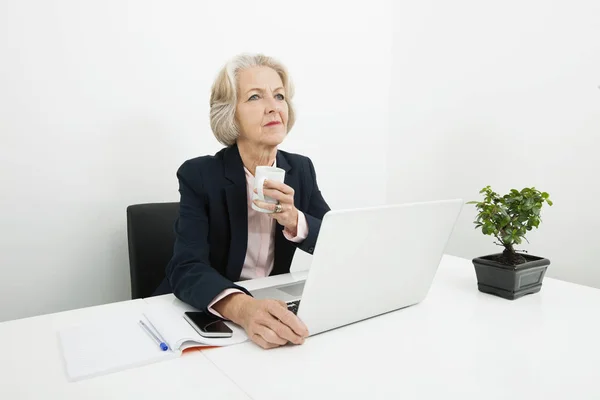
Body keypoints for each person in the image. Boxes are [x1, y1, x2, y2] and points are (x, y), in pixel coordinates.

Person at [163, 53, 330, 349]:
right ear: (231, 115)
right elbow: (186, 268)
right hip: (211, 312)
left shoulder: (301, 169)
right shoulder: (199, 175)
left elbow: (336, 241)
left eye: (279, 96)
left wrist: (295, 220)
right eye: (255, 97)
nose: (273, 107)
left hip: (271, 303)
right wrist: (243, 308)